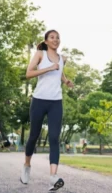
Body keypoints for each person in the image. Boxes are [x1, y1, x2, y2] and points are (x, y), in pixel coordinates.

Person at [20, 30, 74, 191]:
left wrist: (65, 81)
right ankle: (26, 165)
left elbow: (60, 70)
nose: (56, 39)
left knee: (54, 138)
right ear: (46, 41)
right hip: (39, 100)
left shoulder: (62, 58)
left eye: (58, 37)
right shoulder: (40, 54)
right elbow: (29, 73)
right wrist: (49, 68)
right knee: (33, 136)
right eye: (52, 37)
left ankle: (53, 177)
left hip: (56, 102)